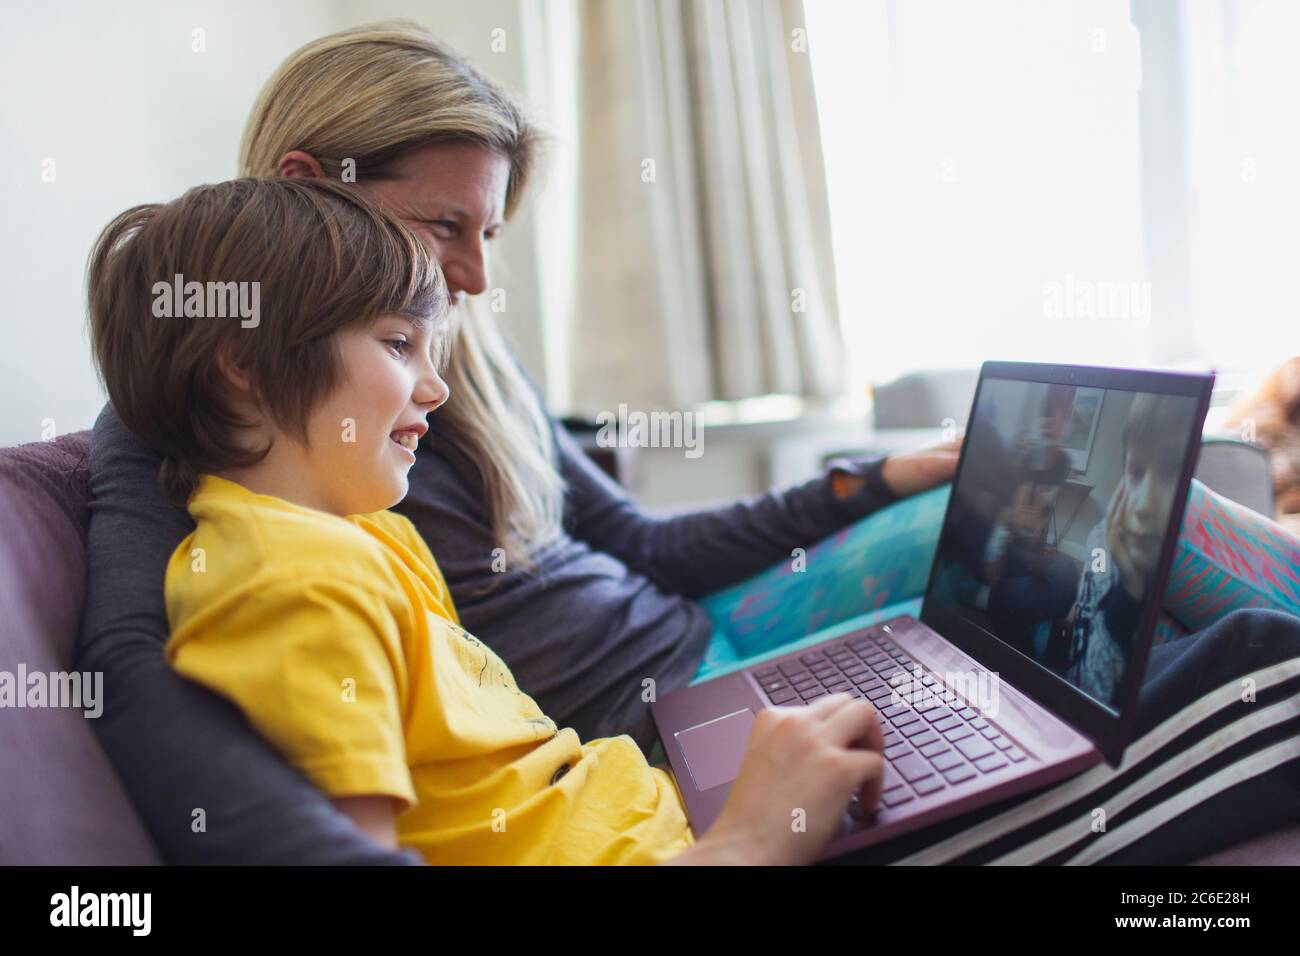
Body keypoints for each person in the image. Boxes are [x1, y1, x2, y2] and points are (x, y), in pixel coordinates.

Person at [78, 21, 1300, 865]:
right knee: (1181, 608)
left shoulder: (385, 466)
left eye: (488, 233)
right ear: (314, 182)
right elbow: (148, 662)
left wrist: (873, 475)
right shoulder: (252, 476)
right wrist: (744, 832)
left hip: (675, 749)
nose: (472, 282)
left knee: (1093, 579)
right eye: (441, 231)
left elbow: (641, 548)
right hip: (664, 738)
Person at [84, 176, 887, 865]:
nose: (435, 388)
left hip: (665, 812)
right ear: (246, 364)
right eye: (399, 343)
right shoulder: (292, 585)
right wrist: (746, 842)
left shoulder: (366, 531)